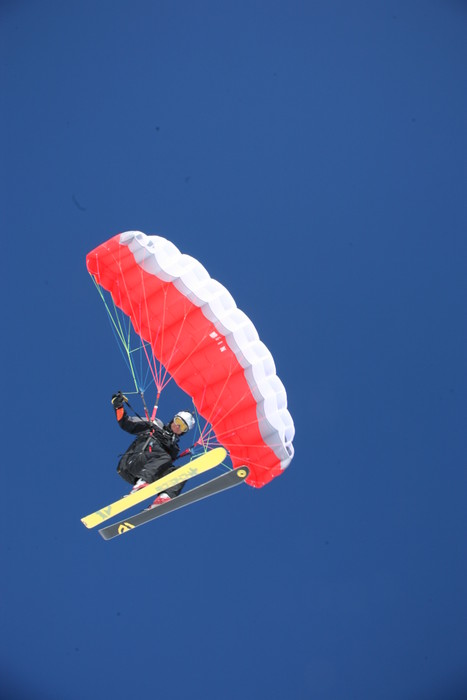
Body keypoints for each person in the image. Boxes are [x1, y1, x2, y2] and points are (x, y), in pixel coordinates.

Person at [111, 391, 195, 508]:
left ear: (184, 432)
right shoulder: (155, 424)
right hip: (131, 463)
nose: (177, 426)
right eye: (178, 421)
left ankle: (164, 498)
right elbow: (127, 424)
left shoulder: (174, 448)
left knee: (181, 472)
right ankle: (141, 484)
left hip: (145, 473)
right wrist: (118, 406)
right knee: (165, 456)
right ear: (173, 419)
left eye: (182, 427)